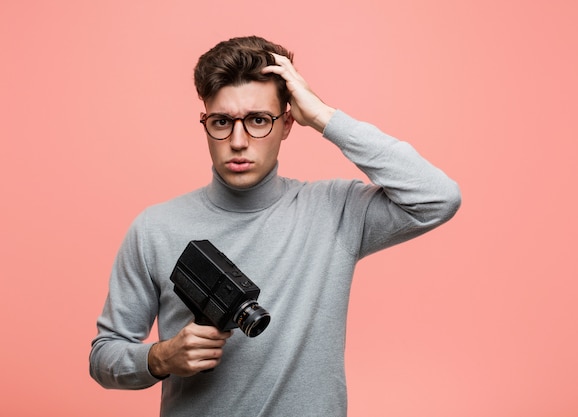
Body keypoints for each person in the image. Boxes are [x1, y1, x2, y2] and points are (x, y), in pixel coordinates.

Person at [89, 36, 461, 416]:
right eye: (221, 121)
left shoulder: (335, 211)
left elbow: (437, 197)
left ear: (286, 124)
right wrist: (160, 357)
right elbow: (104, 356)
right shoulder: (155, 228)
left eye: (257, 121)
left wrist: (322, 116)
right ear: (204, 123)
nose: (238, 141)